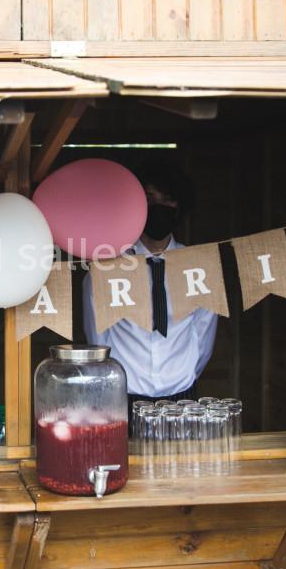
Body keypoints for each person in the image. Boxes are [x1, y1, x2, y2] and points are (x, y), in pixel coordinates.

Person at [83, 161, 218, 410]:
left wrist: (184, 375)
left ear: (179, 205)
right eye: (149, 198)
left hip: (182, 394)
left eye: (167, 199)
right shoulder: (107, 269)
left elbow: (203, 335)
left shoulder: (199, 267)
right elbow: (97, 338)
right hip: (122, 394)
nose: (159, 207)